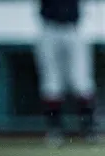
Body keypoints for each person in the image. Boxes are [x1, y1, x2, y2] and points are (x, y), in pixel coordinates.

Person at [34, 0, 98, 147]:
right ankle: (54, 131)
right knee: (51, 83)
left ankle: (88, 129)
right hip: (49, 28)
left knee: (82, 81)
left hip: (73, 27)